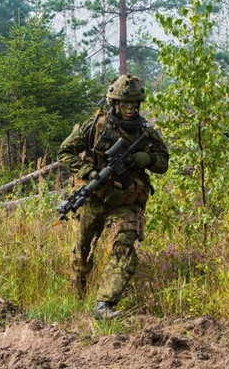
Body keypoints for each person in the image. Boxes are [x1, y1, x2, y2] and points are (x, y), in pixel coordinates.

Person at [58, 74, 169, 320]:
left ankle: (104, 305)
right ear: (115, 103)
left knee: (125, 244)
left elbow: (164, 162)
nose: (130, 108)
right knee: (81, 255)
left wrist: (147, 159)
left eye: (134, 104)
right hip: (93, 197)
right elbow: (65, 152)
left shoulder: (146, 131)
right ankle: (76, 301)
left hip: (125, 201)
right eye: (125, 103)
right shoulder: (95, 125)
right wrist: (89, 173)